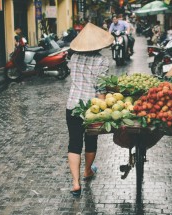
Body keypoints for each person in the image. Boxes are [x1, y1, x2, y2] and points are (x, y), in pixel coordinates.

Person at [66, 23, 114, 197]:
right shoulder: (102, 60)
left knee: (74, 143)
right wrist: (103, 110)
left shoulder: (73, 58)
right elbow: (100, 88)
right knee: (91, 141)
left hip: (72, 105)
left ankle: (75, 183)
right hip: (91, 108)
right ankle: (87, 171)